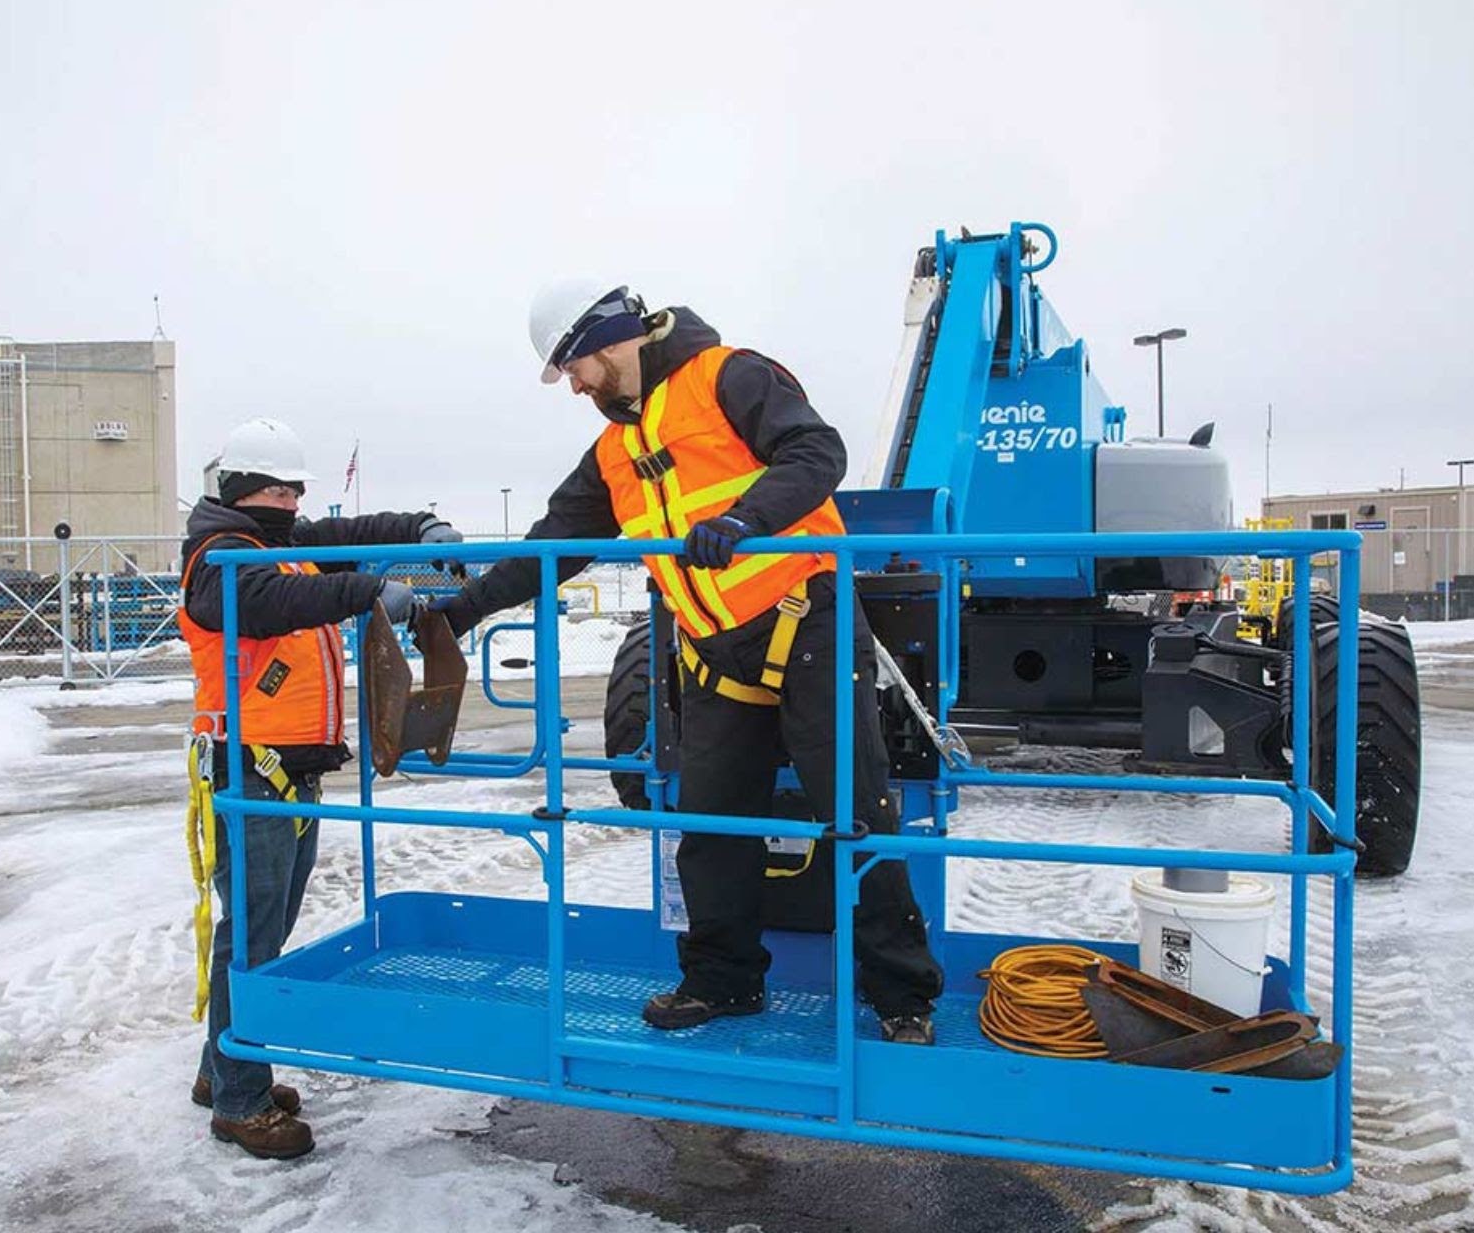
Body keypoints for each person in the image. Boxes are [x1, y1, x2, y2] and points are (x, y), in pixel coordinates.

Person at [432, 284, 943, 1044]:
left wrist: (744, 520)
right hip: (714, 652)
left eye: (573, 368)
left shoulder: (728, 376)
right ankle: (723, 981)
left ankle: (902, 995)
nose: (573, 386)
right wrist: (459, 609)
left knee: (857, 814)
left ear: (605, 343)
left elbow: (817, 452)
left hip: (808, 626)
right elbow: (551, 546)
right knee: (708, 827)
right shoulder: (612, 452)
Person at [180, 417, 462, 1159]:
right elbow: (272, 604)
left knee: (264, 926)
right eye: (277, 488)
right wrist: (370, 590)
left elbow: (358, 527)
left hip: (288, 769)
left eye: (295, 489)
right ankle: (239, 1100)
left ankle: (223, 1068)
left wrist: (425, 528)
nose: (290, 501)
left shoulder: (274, 543)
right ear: (242, 491)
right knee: (254, 932)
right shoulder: (222, 558)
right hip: (251, 768)